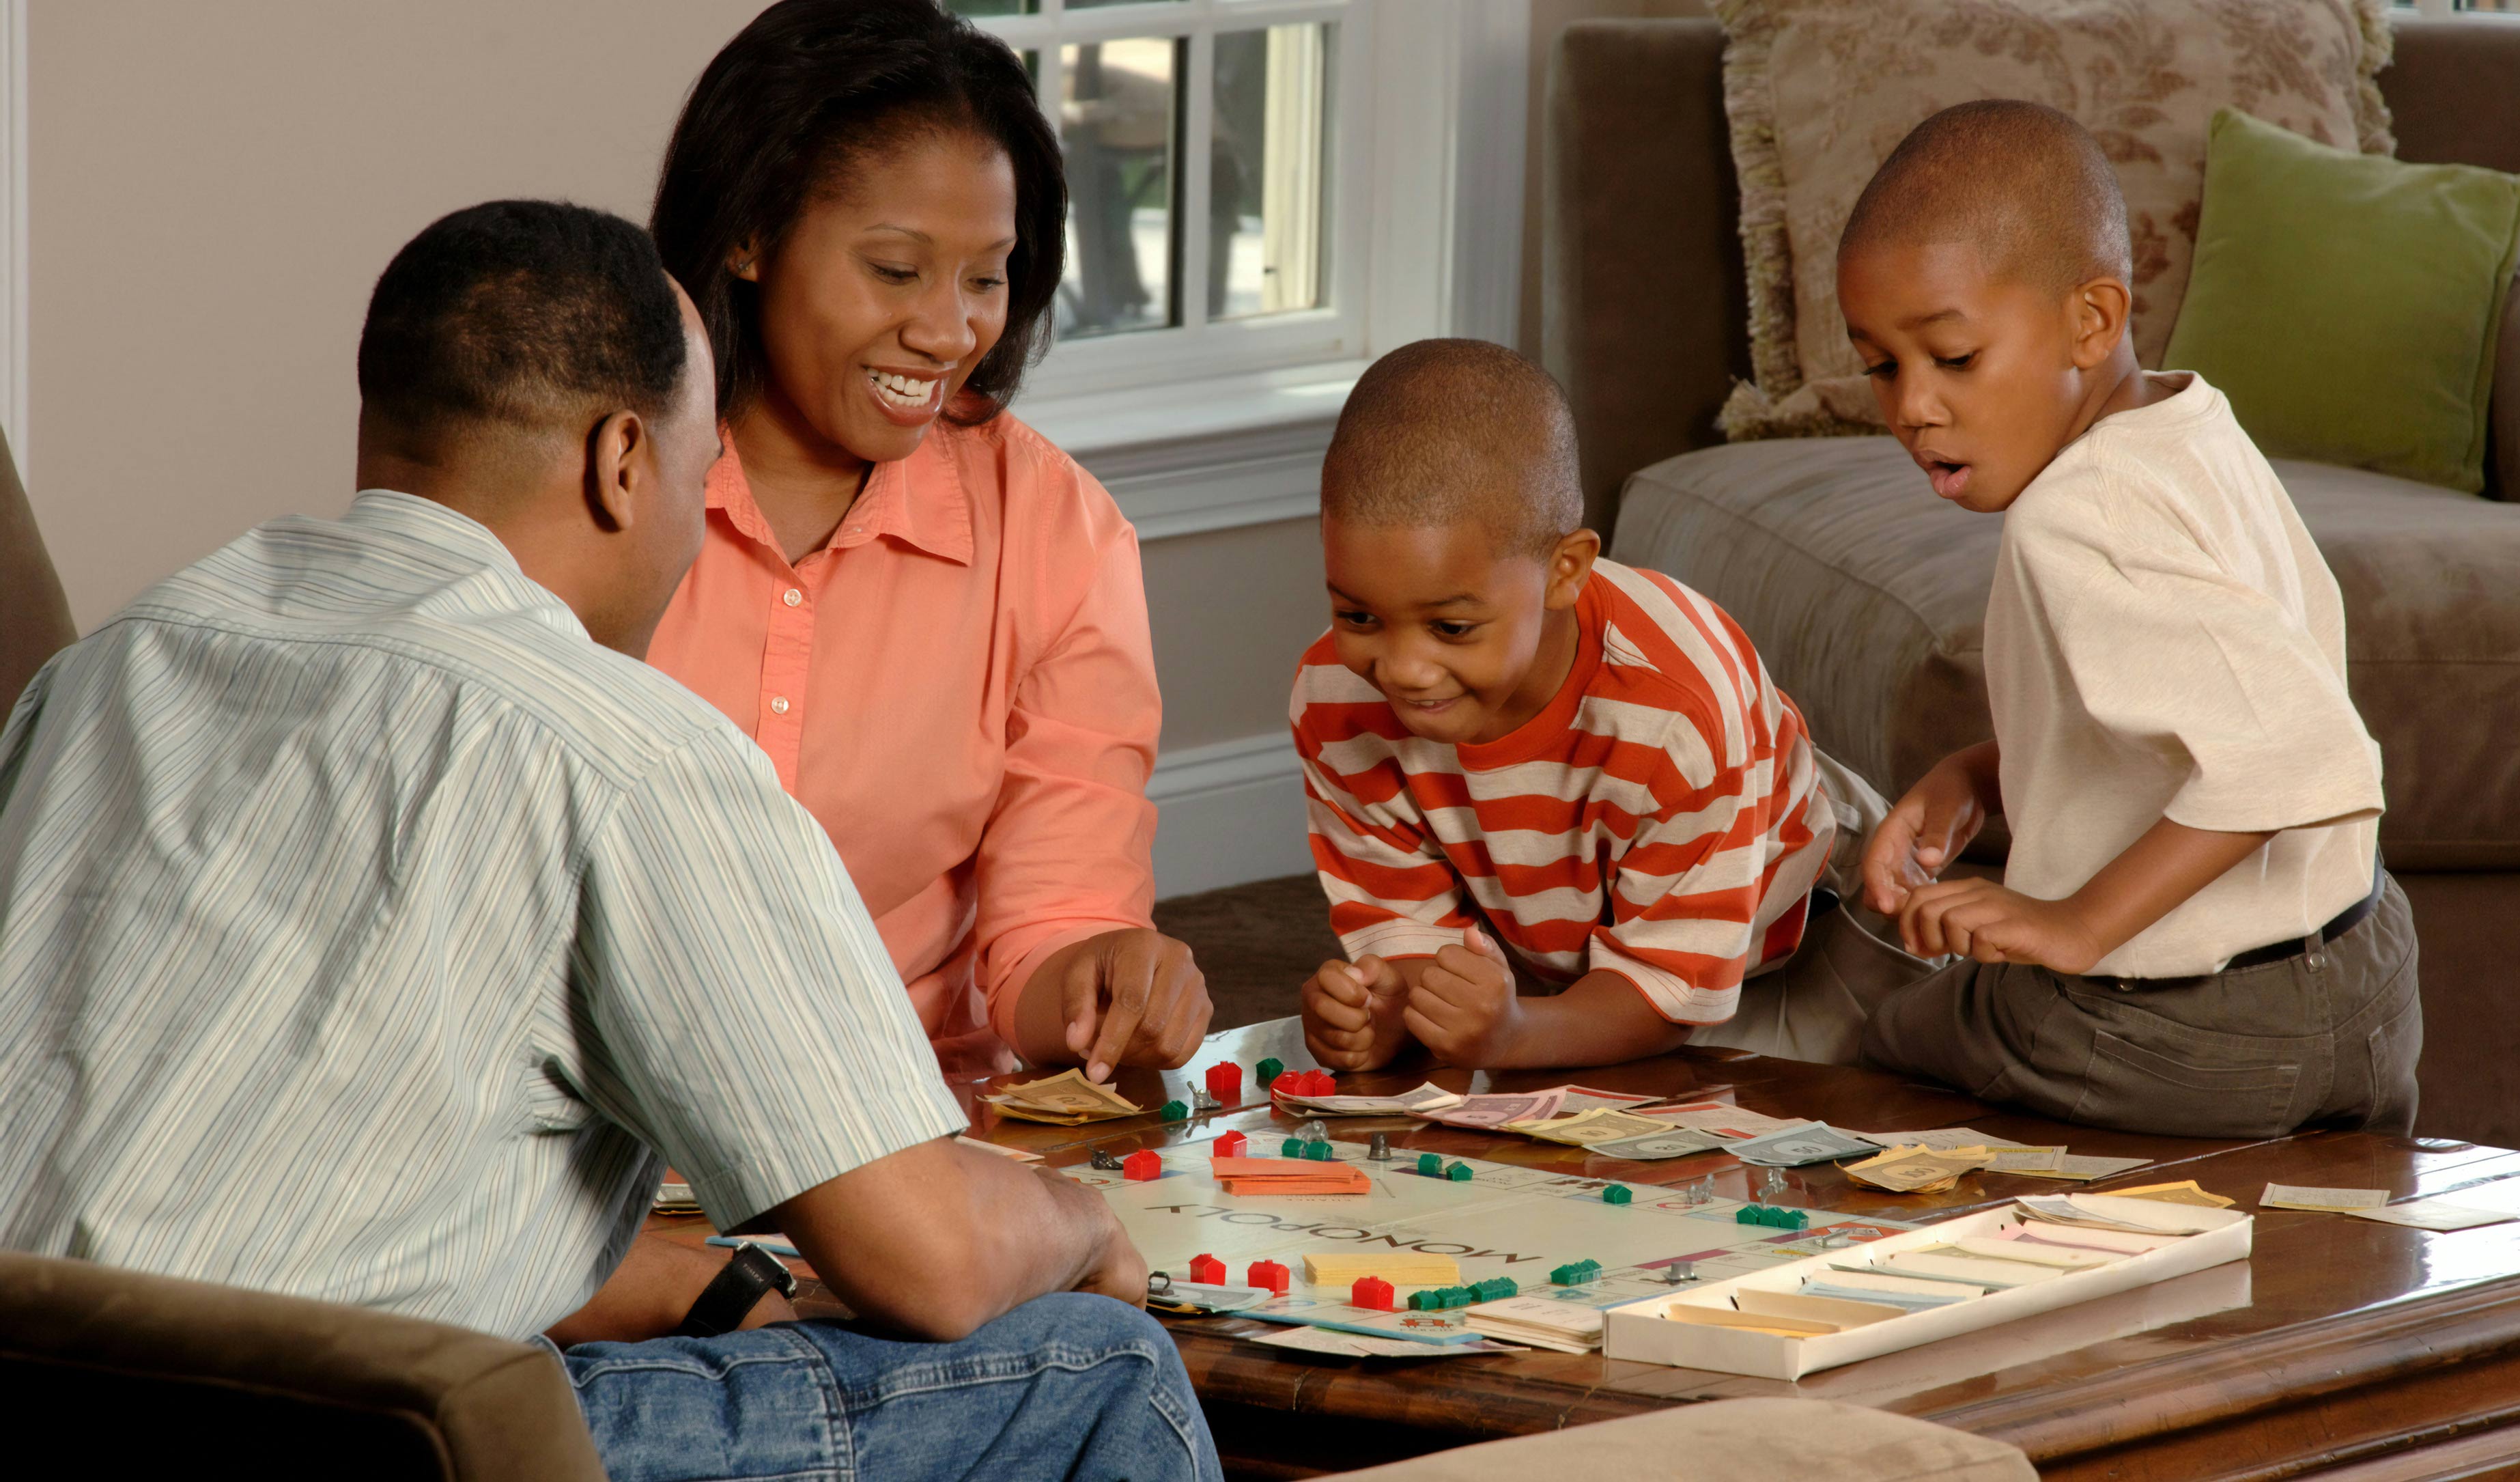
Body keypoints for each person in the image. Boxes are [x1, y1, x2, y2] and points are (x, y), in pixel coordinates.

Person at [0, 199, 1216, 1482]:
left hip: (44, 1401)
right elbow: (933, 1259)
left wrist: (703, 1290)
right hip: (347, 1443)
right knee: (1095, 1369)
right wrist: (1079, 1221)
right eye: (700, 481)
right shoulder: (628, 752)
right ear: (622, 460)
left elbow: (293, 1188)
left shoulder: (111, 673)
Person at [646, 0, 1208, 1084]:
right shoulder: (599, 482)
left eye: (985, 276)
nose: (949, 331)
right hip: (614, 1125)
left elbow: (1053, 923)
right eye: (897, 270)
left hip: (904, 1113)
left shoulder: (1056, 529)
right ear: (750, 233)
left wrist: (1104, 980)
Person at [1840, 100, 2422, 1138]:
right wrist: (1982, 771)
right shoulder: (2190, 424)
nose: (1911, 407)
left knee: (1882, 1040)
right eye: (1884, 365)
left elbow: (2300, 756)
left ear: (2091, 322)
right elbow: (2226, 701)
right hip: (2367, 980)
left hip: (2180, 1025)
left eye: (1954, 358)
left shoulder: (2076, 513)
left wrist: (2072, 924)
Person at [1291, 339, 1918, 1072]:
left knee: (1778, 1123)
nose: (1399, 668)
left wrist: (1517, 1035)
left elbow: (1664, 990)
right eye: (1358, 617)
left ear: (1566, 571)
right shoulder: (1337, 696)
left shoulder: (1677, 709)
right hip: (1576, 950)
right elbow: (1411, 944)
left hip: (1802, 931)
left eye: (1451, 627)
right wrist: (1388, 1008)